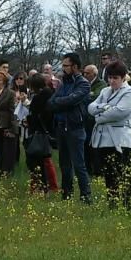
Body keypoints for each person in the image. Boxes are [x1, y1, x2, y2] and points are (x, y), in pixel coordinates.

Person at [88, 61, 131, 210]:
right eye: (109, 77)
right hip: (104, 140)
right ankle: (113, 204)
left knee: (123, 173)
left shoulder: (130, 92)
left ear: (123, 78)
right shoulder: (105, 91)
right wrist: (105, 107)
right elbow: (91, 108)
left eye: (115, 78)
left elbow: (119, 112)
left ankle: (128, 204)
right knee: (109, 175)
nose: (111, 81)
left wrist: (100, 115)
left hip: (120, 139)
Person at [49, 53, 92, 203]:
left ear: (75, 66)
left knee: (79, 164)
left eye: (66, 65)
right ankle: (66, 194)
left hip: (75, 128)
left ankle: (86, 196)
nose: (63, 68)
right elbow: (52, 102)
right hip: (61, 127)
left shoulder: (83, 83)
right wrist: (62, 102)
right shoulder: (63, 83)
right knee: (64, 164)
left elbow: (72, 100)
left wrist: (61, 102)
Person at [24, 73, 59, 194]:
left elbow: (37, 115)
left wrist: (28, 120)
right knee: (45, 161)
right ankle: (46, 186)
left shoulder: (40, 97)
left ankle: (42, 187)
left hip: (38, 133)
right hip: (45, 132)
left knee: (36, 160)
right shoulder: (50, 94)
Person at [82, 64, 105, 176]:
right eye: (84, 73)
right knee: (85, 144)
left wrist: (85, 95)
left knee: (95, 145)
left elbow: (95, 97)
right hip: (85, 119)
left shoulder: (101, 84)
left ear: (94, 74)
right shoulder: (84, 83)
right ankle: (87, 169)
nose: (85, 75)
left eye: (87, 73)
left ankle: (97, 170)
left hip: (95, 120)